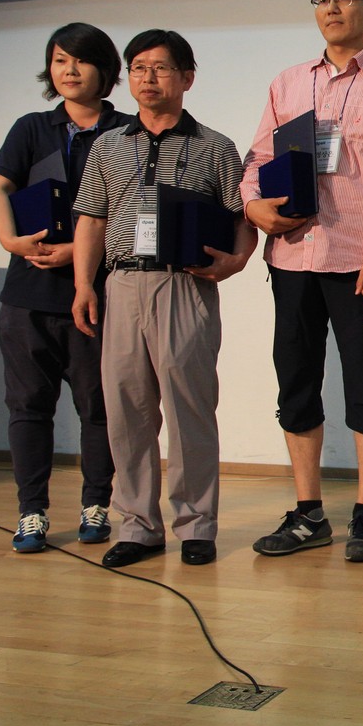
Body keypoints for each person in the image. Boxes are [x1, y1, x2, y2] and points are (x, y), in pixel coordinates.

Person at [241, 0, 363, 562]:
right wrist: (254, 207)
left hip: (356, 262)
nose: (333, 7)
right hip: (292, 257)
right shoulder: (288, 82)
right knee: (296, 383)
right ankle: (308, 512)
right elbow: (257, 161)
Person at [71, 29, 255, 568]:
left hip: (185, 283)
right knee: (126, 410)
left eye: (160, 67)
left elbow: (242, 217)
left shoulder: (215, 146)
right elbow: (92, 219)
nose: (147, 78)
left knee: (189, 408)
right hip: (123, 282)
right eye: (138, 68)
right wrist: (84, 284)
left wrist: (236, 261)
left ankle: (196, 525)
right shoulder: (107, 145)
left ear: (187, 78)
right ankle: (138, 526)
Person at [0, 23, 132, 553]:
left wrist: (80, 252)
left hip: (98, 293)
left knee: (99, 407)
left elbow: (138, 212)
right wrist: (10, 239)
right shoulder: (31, 127)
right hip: (27, 295)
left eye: (80, 60)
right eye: (59, 60)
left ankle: (96, 505)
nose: (69, 71)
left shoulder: (128, 131)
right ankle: (31, 512)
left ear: (105, 69)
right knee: (28, 407)